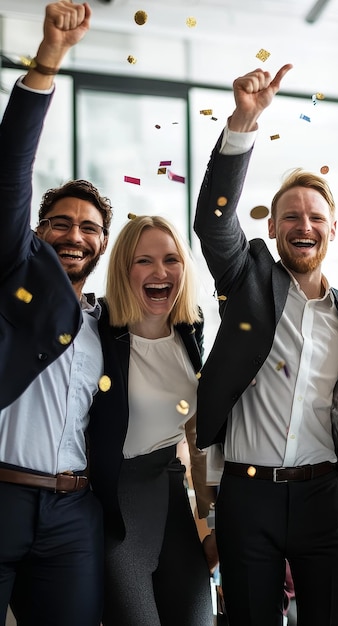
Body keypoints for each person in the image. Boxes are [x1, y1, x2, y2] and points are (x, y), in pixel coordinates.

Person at [193, 63, 338, 626]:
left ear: (333, 229)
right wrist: (245, 120)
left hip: (323, 496)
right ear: (271, 227)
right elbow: (212, 225)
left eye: (316, 216)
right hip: (248, 497)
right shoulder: (247, 281)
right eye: (290, 215)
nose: (304, 224)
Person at [0, 3, 111, 625]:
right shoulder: (11, 282)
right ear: (37, 235)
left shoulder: (107, 325)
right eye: (60, 223)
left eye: (90, 228)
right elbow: (10, 173)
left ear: (102, 245)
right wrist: (48, 62)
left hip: (73, 514)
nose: (75, 235)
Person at [87, 215, 213, 625]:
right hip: (115, 507)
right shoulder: (98, 326)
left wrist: (212, 522)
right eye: (144, 261)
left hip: (172, 496)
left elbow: (199, 433)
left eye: (171, 259)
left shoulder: (190, 328)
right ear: (124, 269)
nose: (160, 272)